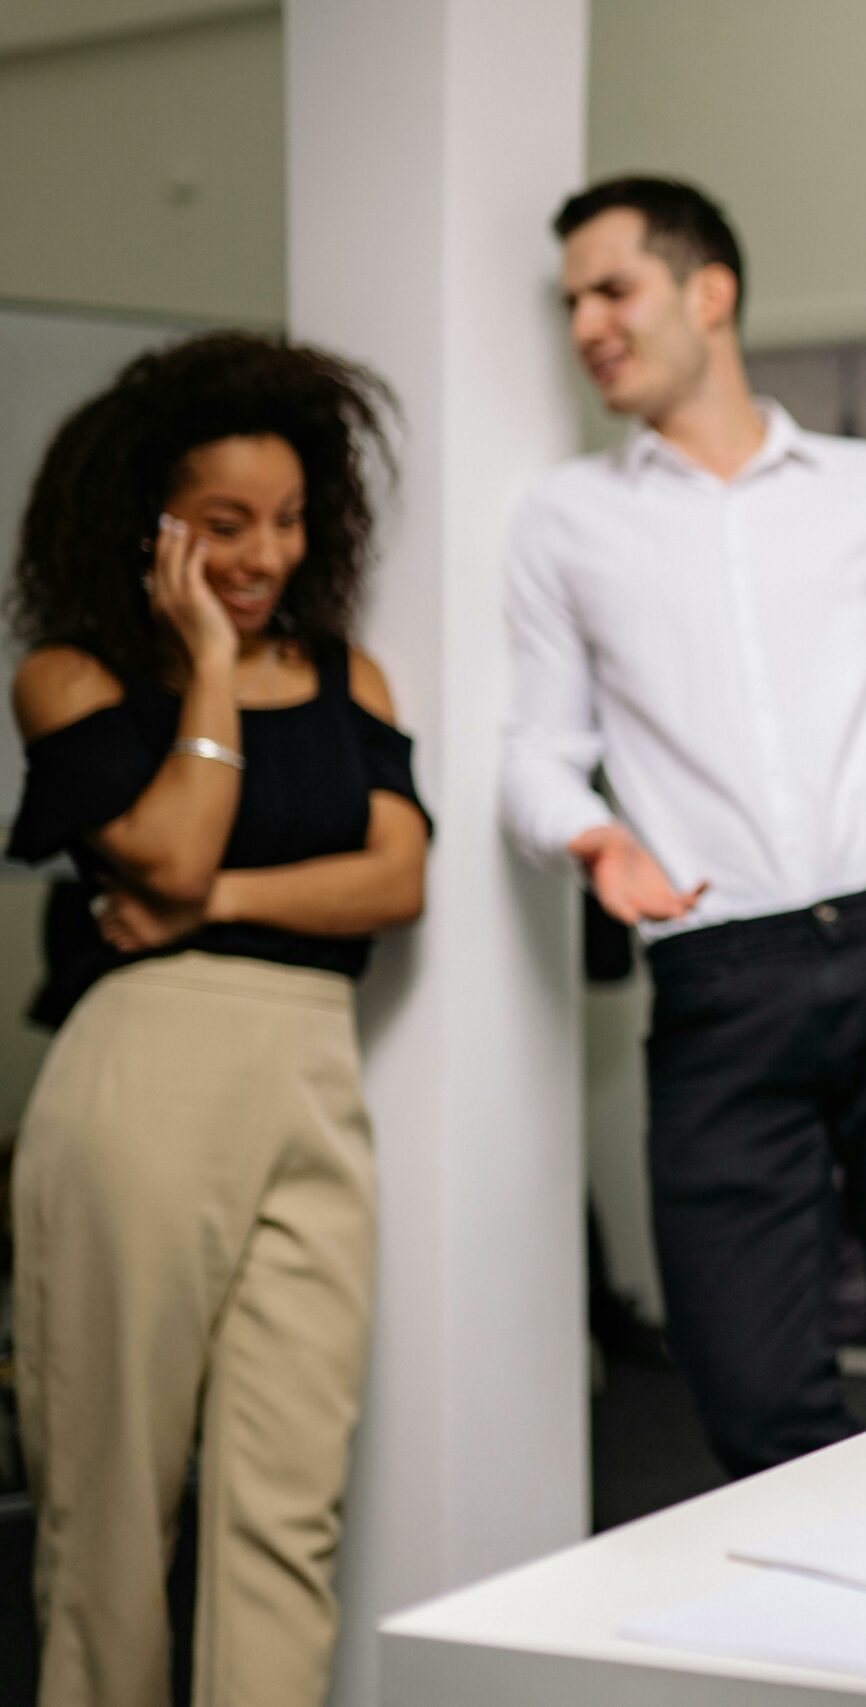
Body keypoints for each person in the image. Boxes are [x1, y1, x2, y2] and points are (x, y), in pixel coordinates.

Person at [501, 177, 866, 1477]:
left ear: (708, 292)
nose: (586, 324)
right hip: (722, 975)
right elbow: (536, 751)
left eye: (611, 289)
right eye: (571, 301)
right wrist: (585, 833)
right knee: (746, 1386)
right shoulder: (564, 520)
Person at [6, 333, 428, 1707]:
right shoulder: (74, 676)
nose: (263, 555)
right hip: (144, 1079)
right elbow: (170, 851)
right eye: (226, 523)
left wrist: (223, 894)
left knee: (286, 1508)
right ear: (155, 522)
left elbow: (397, 873)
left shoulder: (347, 674)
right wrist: (202, 654)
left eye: (291, 520)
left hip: (314, 1076)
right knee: (113, 1519)